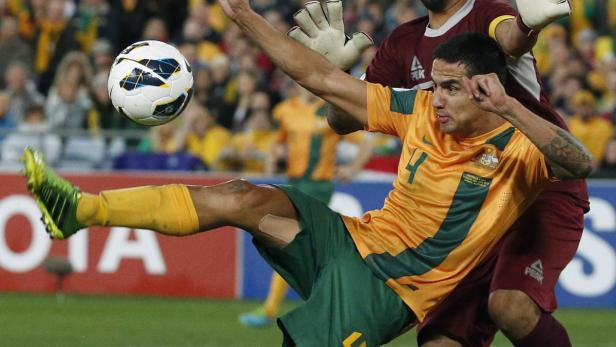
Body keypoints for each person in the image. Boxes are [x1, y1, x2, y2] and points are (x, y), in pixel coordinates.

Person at [23, 1, 593, 345]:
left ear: (484, 90)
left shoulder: (517, 147)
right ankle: (80, 209)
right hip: (354, 240)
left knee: (506, 309)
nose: (434, 97)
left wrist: (516, 93)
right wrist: (246, 17)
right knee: (242, 197)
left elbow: (576, 159)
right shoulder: (418, 107)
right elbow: (325, 87)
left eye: (447, 88)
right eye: (433, 84)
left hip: (388, 286)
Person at [288, 0, 588, 346]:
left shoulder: (486, 14)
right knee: (440, 342)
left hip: (537, 180)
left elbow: (510, 40)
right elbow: (343, 122)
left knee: (511, 305)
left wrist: (527, 26)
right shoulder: (402, 42)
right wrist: (337, 80)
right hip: (463, 204)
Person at [239, 83, 373, 327]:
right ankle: (331, 306)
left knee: (291, 242)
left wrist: (352, 169)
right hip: (293, 183)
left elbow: (366, 143)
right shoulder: (286, 110)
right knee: (303, 247)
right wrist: (273, 156)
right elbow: (279, 141)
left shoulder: (332, 112)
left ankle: (271, 309)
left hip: (318, 187)